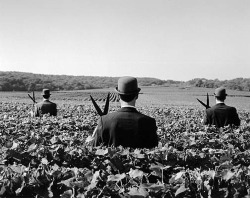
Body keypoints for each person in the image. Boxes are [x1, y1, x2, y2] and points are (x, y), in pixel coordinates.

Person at [91, 76, 158, 149]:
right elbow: (154, 151)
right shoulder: (149, 122)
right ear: (137, 96)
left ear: (118, 96)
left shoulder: (104, 121)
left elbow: (94, 150)